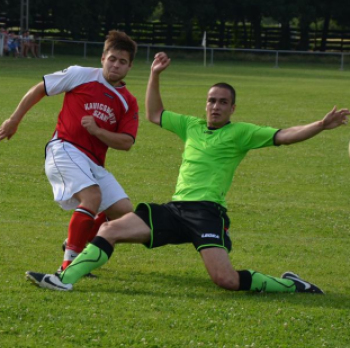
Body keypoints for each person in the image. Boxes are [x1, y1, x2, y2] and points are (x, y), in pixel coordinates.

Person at [25, 52, 349, 293]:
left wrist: (320, 125)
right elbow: (155, 114)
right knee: (110, 230)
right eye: (211, 100)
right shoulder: (191, 126)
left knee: (226, 280)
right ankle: (63, 280)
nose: (215, 106)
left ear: (232, 108)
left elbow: (285, 135)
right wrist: (154, 74)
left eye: (223, 102)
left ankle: (292, 285)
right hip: (175, 209)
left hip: (207, 213)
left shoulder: (242, 133)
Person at [0, 30, 139, 275]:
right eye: (112, 58)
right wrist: (14, 119)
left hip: (94, 163)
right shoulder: (80, 74)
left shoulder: (128, 101)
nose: (116, 64)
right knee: (92, 197)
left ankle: (78, 241)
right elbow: (40, 88)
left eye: (122, 61)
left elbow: (126, 142)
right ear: (102, 58)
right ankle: (69, 265)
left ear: (130, 66)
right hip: (64, 148)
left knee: (125, 213)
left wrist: (97, 131)